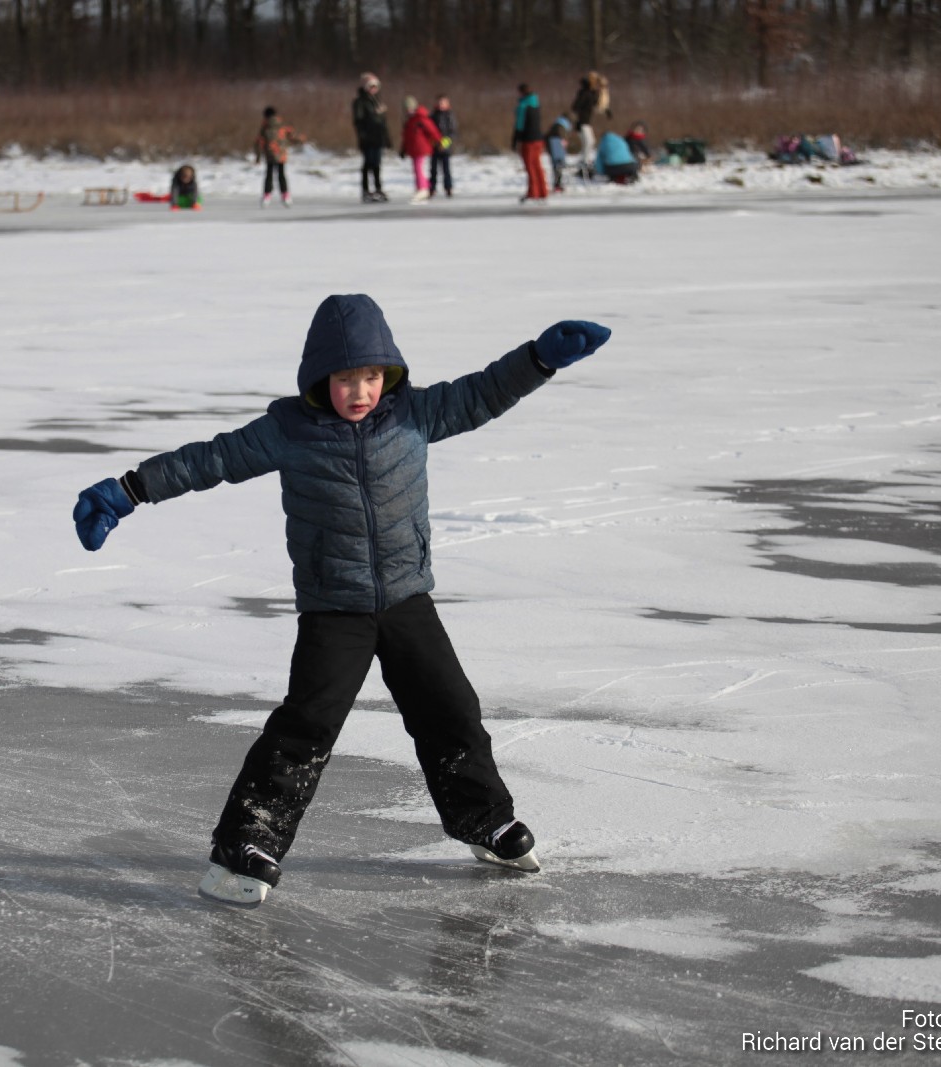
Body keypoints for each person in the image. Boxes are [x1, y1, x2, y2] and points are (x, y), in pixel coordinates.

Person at [71, 294, 613, 906]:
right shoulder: (288, 432)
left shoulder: (415, 414)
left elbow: (483, 393)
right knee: (308, 725)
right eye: (346, 378)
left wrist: (540, 359)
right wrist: (127, 490)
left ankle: (482, 819)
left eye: (372, 376)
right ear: (319, 380)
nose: (360, 391)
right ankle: (246, 842)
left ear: (391, 375)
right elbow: (210, 459)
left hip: (408, 599)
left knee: (451, 710)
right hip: (335, 608)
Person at [352, 73, 392, 204]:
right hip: (368, 137)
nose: (373, 89)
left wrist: (387, 137)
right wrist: (362, 135)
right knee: (367, 164)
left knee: (377, 164)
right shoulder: (360, 102)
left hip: (378, 137)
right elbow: (358, 121)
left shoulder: (377, 100)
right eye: (371, 86)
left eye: (375, 86)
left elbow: (383, 122)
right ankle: (365, 190)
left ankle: (378, 189)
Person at [398, 96, 444, 203]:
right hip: (413, 149)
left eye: (410, 107)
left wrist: (439, 142)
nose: (408, 110)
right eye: (406, 108)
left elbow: (433, 131)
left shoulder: (421, 118)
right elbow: (406, 137)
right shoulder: (409, 121)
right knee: (416, 169)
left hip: (422, 148)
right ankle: (425, 186)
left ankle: (422, 189)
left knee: (419, 169)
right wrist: (403, 149)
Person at [255, 106, 303, 208]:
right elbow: (292, 135)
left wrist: (258, 156)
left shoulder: (265, 127)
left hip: (269, 154)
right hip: (281, 154)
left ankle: (266, 196)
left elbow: (259, 142)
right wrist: (301, 139)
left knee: (269, 175)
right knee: (281, 175)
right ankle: (285, 196)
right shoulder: (282, 125)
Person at [569, 72, 611, 181]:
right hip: (582, 123)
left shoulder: (588, 93)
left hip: (585, 123)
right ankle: (584, 163)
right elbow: (575, 106)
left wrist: (606, 110)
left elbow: (597, 103)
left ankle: (584, 162)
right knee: (589, 142)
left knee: (588, 143)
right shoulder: (585, 93)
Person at [511, 83, 548, 203]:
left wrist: (515, 140)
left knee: (530, 167)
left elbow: (519, 126)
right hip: (538, 139)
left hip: (528, 140)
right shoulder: (536, 103)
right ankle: (543, 191)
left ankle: (533, 192)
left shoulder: (523, 106)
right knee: (537, 166)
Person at [428, 94, 457, 198]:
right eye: (439, 102)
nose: (441, 105)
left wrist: (444, 144)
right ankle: (432, 188)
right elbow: (429, 131)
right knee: (433, 170)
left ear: (447, 104)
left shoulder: (450, 115)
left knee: (446, 169)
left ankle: (448, 188)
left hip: (445, 147)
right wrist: (434, 142)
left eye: (443, 103)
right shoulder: (432, 115)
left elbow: (452, 132)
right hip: (434, 146)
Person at [546, 115, 570, 193]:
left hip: (552, 147)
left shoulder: (556, 125)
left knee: (556, 167)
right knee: (558, 166)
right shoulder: (561, 126)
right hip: (556, 148)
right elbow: (562, 138)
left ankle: (557, 184)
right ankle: (557, 185)